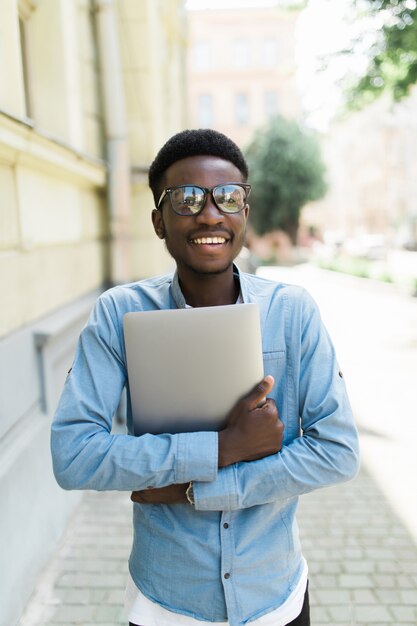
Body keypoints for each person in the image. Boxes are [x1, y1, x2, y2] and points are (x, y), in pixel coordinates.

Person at [51, 129, 359, 626]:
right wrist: (223, 448)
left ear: (245, 213)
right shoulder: (118, 314)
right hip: (165, 604)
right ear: (158, 220)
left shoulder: (293, 312)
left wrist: (193, 489)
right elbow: (75, 455)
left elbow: (337, 451)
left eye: (228, 198)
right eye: (187, 198)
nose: (210, 214)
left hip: (275, 598)